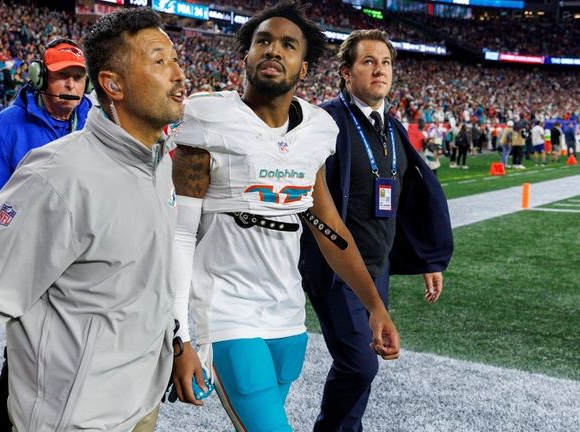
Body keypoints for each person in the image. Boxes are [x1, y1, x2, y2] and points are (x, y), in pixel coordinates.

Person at [0, 8, 186, 432]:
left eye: (175, 59)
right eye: (160, 61)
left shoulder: (157, 160)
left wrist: (177, 342)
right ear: (113, 85)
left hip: (138, 397)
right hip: (73, 412)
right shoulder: (50, 165)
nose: (179, 74)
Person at [169, 4, 400, 431]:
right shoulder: (207, 117)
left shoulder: (316, 129)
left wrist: (374, 306)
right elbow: (179, 234)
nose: (274, 49)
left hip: (287, 315)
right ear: (246, 58)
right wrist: (179, 333)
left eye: (288, 44)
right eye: (264, 41)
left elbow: (330, 229)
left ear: (304, 67)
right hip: (225, 310)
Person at [299, 29, 453, 432]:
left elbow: (403, 203)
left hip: (376, 267)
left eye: (384, 62)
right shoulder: (326, 122)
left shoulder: (391, 127)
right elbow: (311, 203)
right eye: (368, 61)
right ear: (346, 74)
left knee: (366, 363)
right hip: (335, 268)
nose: (379, 69)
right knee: (359, 363)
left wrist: (427, 258)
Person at [0, 37, 93, 432]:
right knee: (23, 368)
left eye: (78, 77)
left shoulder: (97, 121)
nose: (71, 86)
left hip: (81, 271)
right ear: (38, 76)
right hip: (29, 270)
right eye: (62, 76)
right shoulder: (6, 128)